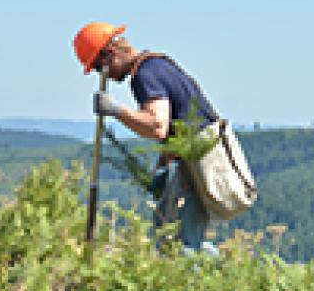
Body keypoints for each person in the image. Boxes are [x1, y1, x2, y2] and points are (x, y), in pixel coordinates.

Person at [72, 22, 218, 255]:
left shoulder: (145, 74)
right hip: (196, 159)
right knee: (177, 235)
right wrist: (164, 165)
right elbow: (177, 123)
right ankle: (224, 281)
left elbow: (157, 125)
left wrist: (116, 110)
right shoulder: (158, 64)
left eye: (100, 68)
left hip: (195, 164)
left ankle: (206, 285)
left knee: (180, 243)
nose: (104, 76)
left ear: (111, 54)